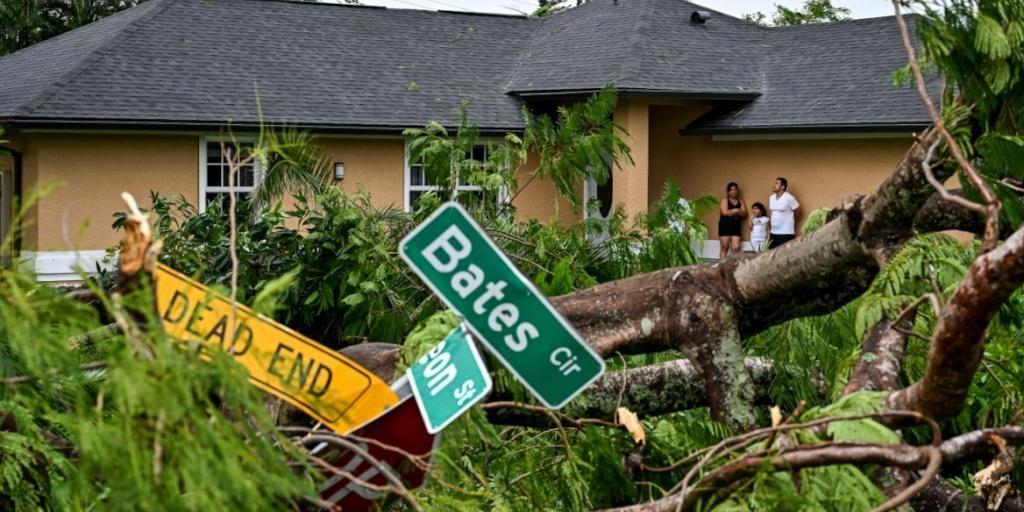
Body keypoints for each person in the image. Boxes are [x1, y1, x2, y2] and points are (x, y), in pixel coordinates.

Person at [768, 177, 800, 249]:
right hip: (773, 232)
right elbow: (772, 213)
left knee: (785, 255)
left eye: (776, 183)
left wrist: (793, 220)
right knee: (772, 255)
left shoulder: (789, 197)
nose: (774, 185)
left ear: (783, 186)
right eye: (774, 183)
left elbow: (797, 210)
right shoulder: (771, 198)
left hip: (786, 233)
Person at [717, 182, 746, 259]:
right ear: (728, 191)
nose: (733, 191)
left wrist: (737, 211)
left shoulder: (741, 201)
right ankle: (722, 267)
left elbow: (744, 214)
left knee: (736, 248)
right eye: (731, 190)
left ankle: (735, 267)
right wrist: (738, 212)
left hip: (736, 227)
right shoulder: (725, 200)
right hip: (725, 226)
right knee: (724, 247)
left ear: (737, 191)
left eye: (735, 189)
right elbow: (725, 213)